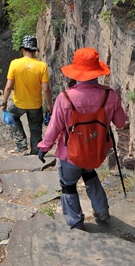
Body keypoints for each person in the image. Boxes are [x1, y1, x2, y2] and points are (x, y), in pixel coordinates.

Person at [37, 47, 127, 231]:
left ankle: (76, 222)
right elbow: (120, 123)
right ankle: (102, 212)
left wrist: (44, 146)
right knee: (89, 174)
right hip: (95, 150)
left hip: (71, 153)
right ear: (96, 71)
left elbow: (54, 127)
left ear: (76, 71)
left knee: (68, 185)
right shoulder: (110, 95)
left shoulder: (65, 98)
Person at [0, 35, 53, 155]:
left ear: (23, 49)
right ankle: (35, 151)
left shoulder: (15, 64)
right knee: (35, 128)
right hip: (36, 104)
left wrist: (4, 102)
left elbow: (8, 86)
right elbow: (46, 89)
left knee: (11, 116)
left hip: (19, 103)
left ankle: (21, 144)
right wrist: (49, 104)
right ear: (35, 50)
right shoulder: (42, 66)